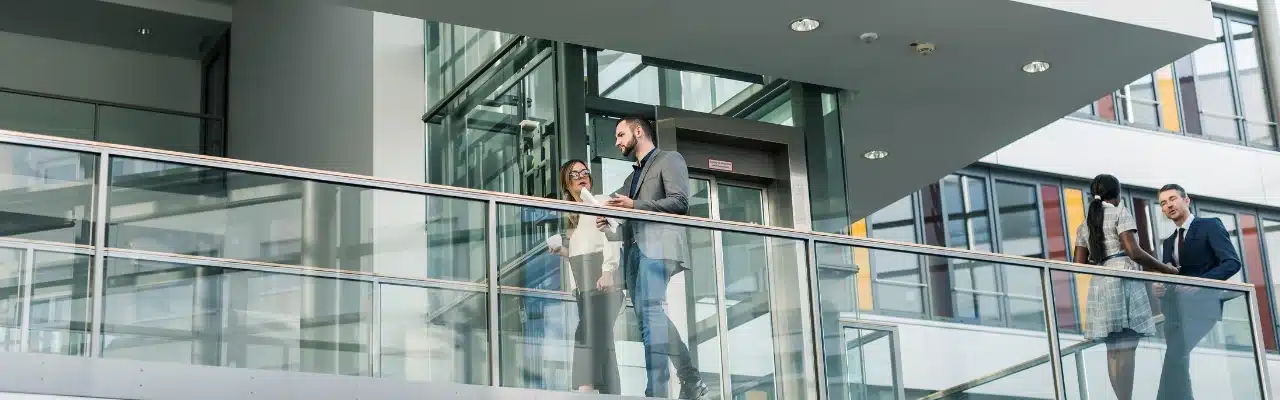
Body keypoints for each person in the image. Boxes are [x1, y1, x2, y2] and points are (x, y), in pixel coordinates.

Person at [595, 115, 707, 399]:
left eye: (621, 135)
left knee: (651, 313)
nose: (617, 141)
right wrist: (607, 222)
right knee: (649, 315)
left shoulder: (669, 160)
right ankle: (690, 379)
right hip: (634, 252)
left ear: (638, 131)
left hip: (658, 248)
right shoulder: (630, 178)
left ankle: (656, 391)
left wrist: (635, 204)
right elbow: (625, 220)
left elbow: (680, 202)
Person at [1072, 174, 1178, 400]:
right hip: (1123, 278)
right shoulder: (1120, 212)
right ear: (1117, 195)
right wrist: (1165, 269)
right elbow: (1133, 251)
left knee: (1113, 350)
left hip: (1100, 282)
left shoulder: (1085, 224)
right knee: (1127, 346)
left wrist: (1102, 257)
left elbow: (1078, 265)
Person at [1154, 184, 1241, 400]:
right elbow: (1172, 280)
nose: (1168, 205)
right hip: (1176, 313)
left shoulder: (1209, 226)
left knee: (1175, 358)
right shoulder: (1168, 242)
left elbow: (1231, 262)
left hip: (1203, 307)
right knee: (1177, 362)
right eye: (1163, 203)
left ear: (1187, 200)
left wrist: (1200, 282)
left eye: (1172, 199)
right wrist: (1161, 288)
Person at [550, 160, 625, 394]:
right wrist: (562, 250)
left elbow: (611, 234)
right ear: (567, 184)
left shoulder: (598, 201)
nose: (582, 176)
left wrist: (608, 270)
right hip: (585, 287)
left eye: (585, 172)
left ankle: (585, 388)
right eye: (575, 174)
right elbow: (582, 250)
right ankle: (610, 392)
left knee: (586, 333)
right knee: (602, 340)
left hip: (601, 282)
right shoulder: (576, 216)